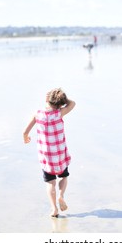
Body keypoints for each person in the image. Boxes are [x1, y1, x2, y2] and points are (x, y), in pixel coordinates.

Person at [23, 88, 76, 218]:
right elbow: (73, 103)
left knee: (50, 183)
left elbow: (25, 132)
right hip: (60, 155)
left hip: (46, 156)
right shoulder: (59, 113)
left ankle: (54, 209)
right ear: (60, 103)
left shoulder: (38, 113)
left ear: (47, 99)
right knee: (64, 177)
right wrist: (64, 100)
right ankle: (61, 195)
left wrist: (26, 137)